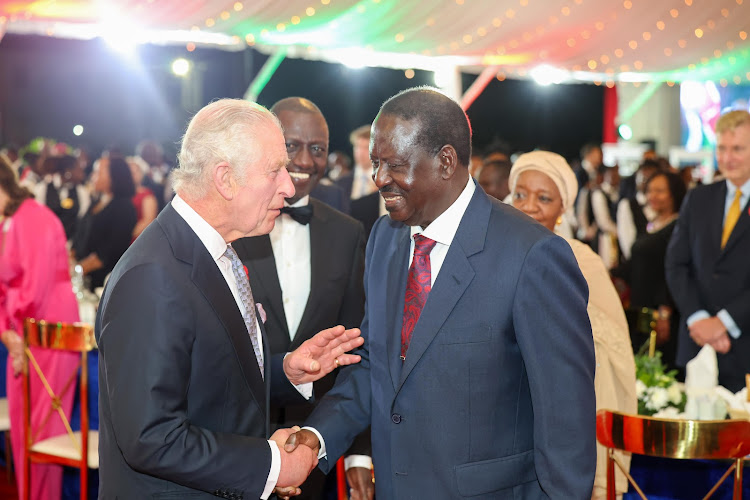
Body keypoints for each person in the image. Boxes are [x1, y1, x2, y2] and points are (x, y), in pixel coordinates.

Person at [287, 87, 596, 498]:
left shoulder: (533, 256)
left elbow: (566, 420)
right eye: (376, 163)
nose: (379, 179)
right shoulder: (385, 238)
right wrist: (316, 436)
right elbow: (375, 364)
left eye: (394, 165)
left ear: (446, 161)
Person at [95, 98, 365, 499]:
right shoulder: (153, 276)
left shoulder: (213, 250)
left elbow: (210, 380)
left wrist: (287, 370)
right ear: (225, 179)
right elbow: (152, 438)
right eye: (275, 171)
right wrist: (273, 465)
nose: (290, 186)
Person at [233, 97, 372, 500]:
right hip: (234, 444)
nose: (306, 161)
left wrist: (359, 454)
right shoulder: (233, 229)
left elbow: (356, 348)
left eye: (318, 149)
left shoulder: (347, 234)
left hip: (313, 444)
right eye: (291, 146)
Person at [508, 151, 637, 500]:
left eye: (544, 198)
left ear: (563, 207)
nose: (529, 206)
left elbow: (613, 354)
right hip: (503, 419)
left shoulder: (582, 261)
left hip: (562, 421)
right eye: (521, 194)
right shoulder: (491, 255)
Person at [0, 155, 80, 500]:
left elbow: (33, 288)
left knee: (41, 435)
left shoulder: (32, 218)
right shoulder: (11, 220)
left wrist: (14, 332)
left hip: (47, 337)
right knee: (25, 432)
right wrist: (8, 332)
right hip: (25, 334)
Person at [666, 109, 750, 392]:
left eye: (738, 148)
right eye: (722, 148)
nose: (727, 158)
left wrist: (724, 322)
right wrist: (699, 319)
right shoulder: (699, 198)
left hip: (745, 348)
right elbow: (676, 264)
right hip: (697, 344)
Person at [72, 155, 137, 290]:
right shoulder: (97, 201)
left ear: (113, 176)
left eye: (97, 172)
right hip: (81, 276)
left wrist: (77, 270)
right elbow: (80, 234)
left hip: (102, 282)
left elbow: (111, 250)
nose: (92, 176)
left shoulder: (124, 207)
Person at [126, 155, 158, 241]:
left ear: (141, 174)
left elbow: (148, 221)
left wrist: (124, 233)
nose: (131, 175)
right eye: (128, 172)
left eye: (134, 172)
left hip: (136, 240)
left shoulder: (147, 195)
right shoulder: (120, 194)